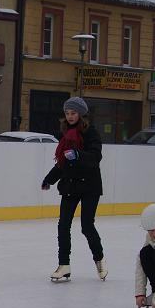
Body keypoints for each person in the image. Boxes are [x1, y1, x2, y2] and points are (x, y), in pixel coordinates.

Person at [41, 97, 107, 282]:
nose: (70, 116)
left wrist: (78, 155)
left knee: (87, 226)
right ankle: (64, 265)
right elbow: (63, 163)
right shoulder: (66, 134)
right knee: (63, 225)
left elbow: (95, 157)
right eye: (67, 113)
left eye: (74, 113)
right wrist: (49, 179)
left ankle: (99, 259)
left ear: (81, 114)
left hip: (89, 186)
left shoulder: (90, 132)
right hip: (71, 185)